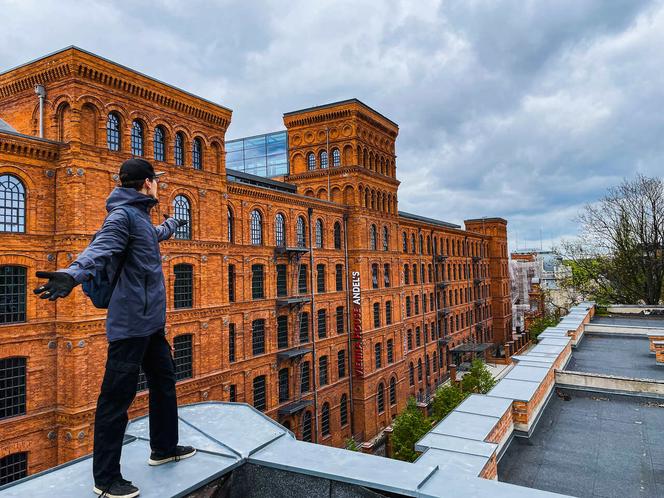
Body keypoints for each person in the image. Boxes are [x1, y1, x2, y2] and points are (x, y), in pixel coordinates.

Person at [34, 158, 196, 498]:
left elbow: (153, 236)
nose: (157, 185)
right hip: (129, 326)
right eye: (156, 181)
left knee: (164, 382)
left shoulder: (140, 218)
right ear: (148, 183)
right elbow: (100, 248)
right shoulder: (122, 217)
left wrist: (171, 224)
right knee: (115, 400)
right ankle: (106, 479)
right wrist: (73, 274)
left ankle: (163, 448)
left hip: (150, 324)